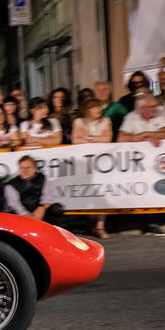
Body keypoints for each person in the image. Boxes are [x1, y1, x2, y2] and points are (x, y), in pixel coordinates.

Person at [70, 99, 112, 239]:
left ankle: (100, 225)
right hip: (85, 163)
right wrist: (96, 139)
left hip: (102, 163)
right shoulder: (79, 122)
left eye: (99, 108)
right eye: (95, 108)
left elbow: (107, 138)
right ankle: (91, 220)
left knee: (102, 191)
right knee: (88, 191)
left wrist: (88, 138)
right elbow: (76, 140)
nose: (98, 110)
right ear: (88, 109)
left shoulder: (105, 121)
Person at [4, 155, 65, 225]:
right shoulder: (11, 184)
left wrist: (42, 208)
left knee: (57, 208)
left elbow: (48, 196)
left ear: (34, 168)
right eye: (22, 168)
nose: (25, 171)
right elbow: (14, 204)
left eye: (28, 168)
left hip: (40, 210)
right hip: (22, 214)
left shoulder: (43, 178)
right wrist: (26, 215)